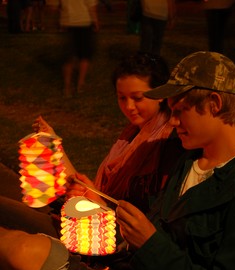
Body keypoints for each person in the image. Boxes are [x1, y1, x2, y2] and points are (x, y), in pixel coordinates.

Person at [0, 51, 235, 270]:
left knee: (24, 252)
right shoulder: (189, 166)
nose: (172, 121)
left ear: (215, 104)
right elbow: (148, 235)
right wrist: (124, 231)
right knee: (16, 241)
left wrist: (149, 243)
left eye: (180, 112)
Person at [33, 52, 182, 214]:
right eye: (122, 98)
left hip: (119, 233)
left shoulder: (167, 142)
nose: (129, 106)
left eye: (137, 98)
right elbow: (92, 192)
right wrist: (53, 145)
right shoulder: (129, 138)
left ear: (159, 95)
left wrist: (99, 203)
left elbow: (147, 216)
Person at [58, 0, 99, 97]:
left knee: (69, 56)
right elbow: (91, 6)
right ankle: (80, 84)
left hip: (68, 22)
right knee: (84, 55)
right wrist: (96, 21)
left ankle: (67, 86)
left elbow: (55, 5)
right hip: (83, 22)